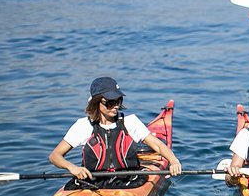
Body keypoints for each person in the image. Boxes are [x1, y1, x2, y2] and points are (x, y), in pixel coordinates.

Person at [49, 77, 182, 188]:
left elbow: (158, 145)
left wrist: (174, 161)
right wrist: (72, 168)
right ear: (97, 103)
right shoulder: (82, 126)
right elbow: (55, 156)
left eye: (118, 100)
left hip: (129, 181)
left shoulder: (130, 123)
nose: (116, 106)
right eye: (110, 102)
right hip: (92, 182)